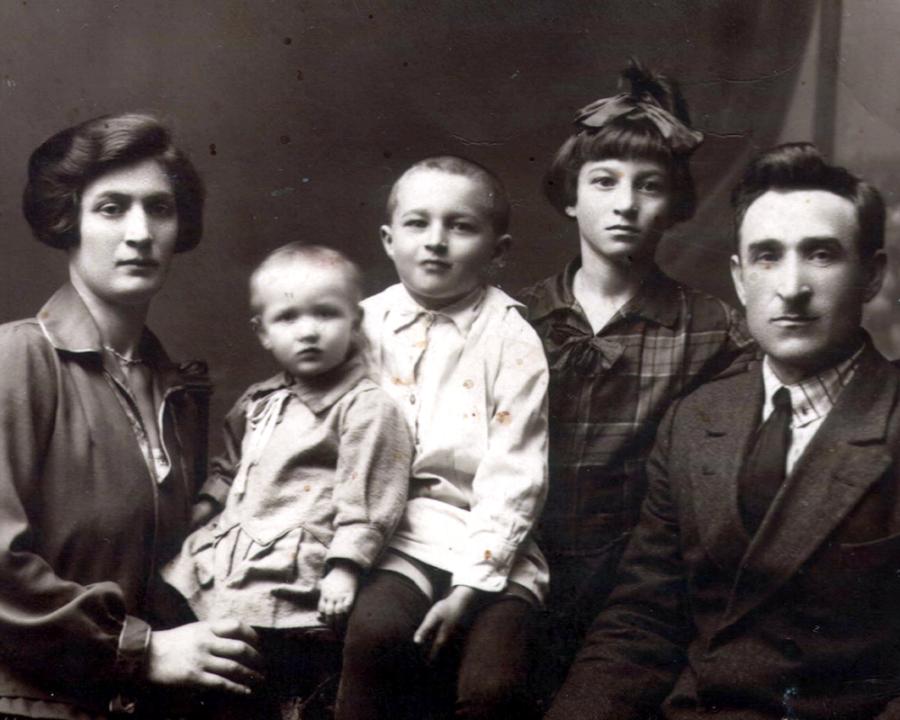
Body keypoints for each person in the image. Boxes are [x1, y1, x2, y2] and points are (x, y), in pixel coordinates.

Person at [545, 143, 900, 720]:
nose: (791, 286)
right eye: (766, 256)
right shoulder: (695, 420)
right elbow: (642, 622)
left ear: (872, 275)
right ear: (739, 278)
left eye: (821, 255)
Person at [0, 113, 265, 720]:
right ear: (69, 223)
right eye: (112, 208)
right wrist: (137, 650)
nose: (141, 233)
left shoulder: (175, 390)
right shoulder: (18, 360)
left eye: (160, 209)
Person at [518, 61, 753, 696]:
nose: (625, 203)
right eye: (604, 181)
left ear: (676, 205)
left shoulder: (717, 332)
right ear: (570, 196)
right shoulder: (510, 321)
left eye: (649, 186)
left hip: (639, 596)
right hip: (515, 578)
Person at [336, 156, 549, 720]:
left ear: (498, 251)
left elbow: (516, 472)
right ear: (387, 239)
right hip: (397, 537)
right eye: (417, 223)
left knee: (493, 688)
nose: (436, 242)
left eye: (460, 226)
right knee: (374, 638)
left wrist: (471, 587)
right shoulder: (359, 326)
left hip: (491, 538)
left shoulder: (513, 339)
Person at [162, 242, 412, 715]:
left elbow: (370, 495)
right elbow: (230, 464)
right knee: (184, 620)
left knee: (275, 682)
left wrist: (347, 564)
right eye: (288, 318)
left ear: (355, 322)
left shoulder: (365, 407)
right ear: (263, 333)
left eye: (326, 314)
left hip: (294, 569)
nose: (309, 332)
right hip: (233, 553)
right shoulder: (260, 399)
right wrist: (206, 507)